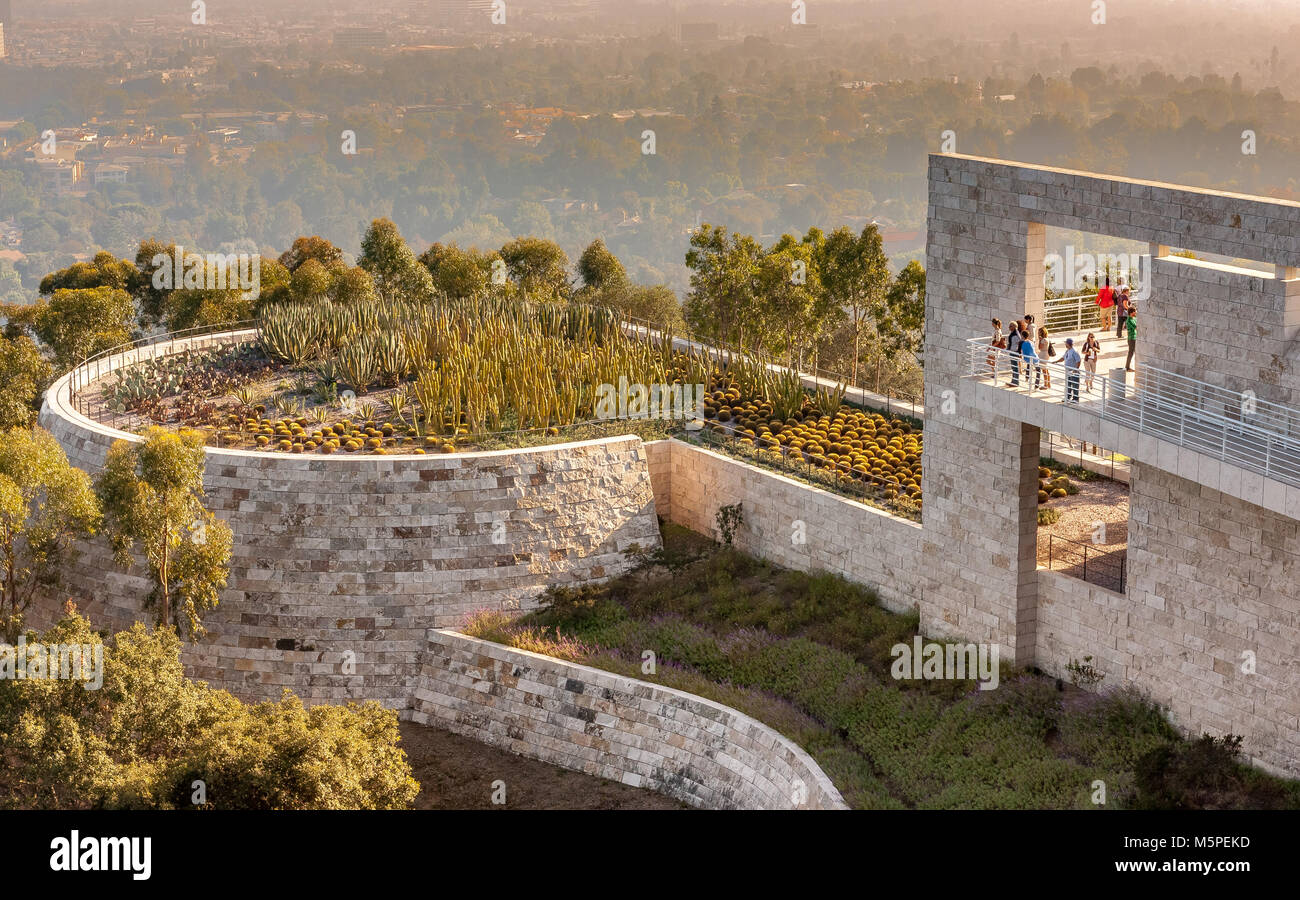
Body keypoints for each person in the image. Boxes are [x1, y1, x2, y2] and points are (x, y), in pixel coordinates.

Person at [1062, 337, 1082, 403]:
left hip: (1074, 372)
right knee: (1068, 384)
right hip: (1068, 371)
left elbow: (1078, 361)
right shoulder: (1067, 351)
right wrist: (1056, 361)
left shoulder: (1074, 351)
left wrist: (1075, 369)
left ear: (1068, 344)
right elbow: (1063, 358)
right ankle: (1068, 397)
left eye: (1066, 343)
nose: (1065, 344)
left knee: (1075, 385)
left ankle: (1076, 399)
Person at [1008, 319, 1024, 386]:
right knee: (1013, 366)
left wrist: (1019, 351)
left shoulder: (1016, 334)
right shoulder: (1013, 333)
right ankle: (1013, 381)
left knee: (1015, 367)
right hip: (1012, 351)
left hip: (1015, 351)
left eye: (1010, 326)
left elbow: (1019, 342)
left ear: (1014, 327)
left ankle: (1016, 382)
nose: (1009, 327)